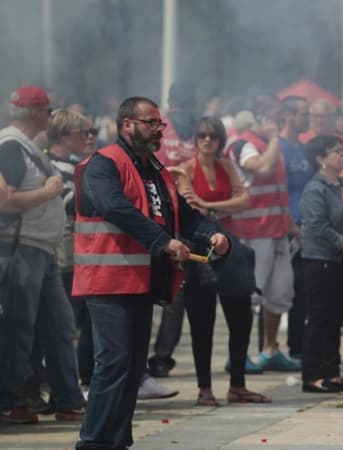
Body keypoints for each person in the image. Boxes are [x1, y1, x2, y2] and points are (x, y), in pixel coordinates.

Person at [73, 97, 230, 449]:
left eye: (160, 123)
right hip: (108, 281)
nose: (160, 129)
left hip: (141, 280)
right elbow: (115, 207)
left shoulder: (155, 169)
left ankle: (117, 441)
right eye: (151, 123)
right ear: (127, 125)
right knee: (113, 364)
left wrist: (212, 235)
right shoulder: (103, 164)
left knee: (131, 369)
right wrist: (163, 242)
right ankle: (93, 443)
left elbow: (183, 215)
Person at [0, 86, 85, 425]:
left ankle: (68, 399)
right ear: (36, 115)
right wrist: (47, 192)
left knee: (61, 326)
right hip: (22, 251)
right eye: (48, 112)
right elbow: (5, 201)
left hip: (41, 251)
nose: (51, 118)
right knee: (19, 329)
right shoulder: (9, 146)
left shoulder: (24, 147)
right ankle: (11, 400)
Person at [173, 116, 270, 405]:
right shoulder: (186, 169)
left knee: (240, 316)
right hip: (198, 249)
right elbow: (189, 206)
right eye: (202, 135)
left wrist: (210, 206)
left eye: (213, 136)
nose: (207, 141)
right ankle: (205, 388)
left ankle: (237, 385)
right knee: (202, 319)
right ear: (195, 139)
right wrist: (210, 208)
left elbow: (244, 201)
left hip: (228, 247)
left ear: (220, 141)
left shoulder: (226, 166)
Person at [224, 108, 297, 371]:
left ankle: (270, 348)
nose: (274, 125)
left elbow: (277, 189)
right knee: (249, 296)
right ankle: (237, 355)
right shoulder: (243, 144)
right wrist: (276, 138)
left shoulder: (265, 144)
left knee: (280, 293)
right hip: (252, 233)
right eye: (270, 120)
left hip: (275, 230)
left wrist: (288, 223)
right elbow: (261, 167)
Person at [299, 135, 343, 393]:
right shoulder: (314, 189)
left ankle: (332, 371)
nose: (341, 155)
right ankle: (312, 374)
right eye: (335, 151)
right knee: (319, 318)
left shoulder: (342, 184)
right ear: (320, 159)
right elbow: (318, 227)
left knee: (336, 318)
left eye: (342, 150)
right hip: (321, 261)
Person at [147, 81, 200, 379]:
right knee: (180, 292)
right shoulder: (202, 131)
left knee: (166, 293)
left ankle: (156, 357)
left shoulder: (159, 129)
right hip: (192, 215)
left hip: (161, 217)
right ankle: (162, 357)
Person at [45, 109, 98, 393]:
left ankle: (78, 380)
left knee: (81, 319)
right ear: (64, 136)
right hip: (62, 252)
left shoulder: (76, 163)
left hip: (79, 252)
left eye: (93, 133)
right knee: (65, 322)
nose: (89, 138)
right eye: (83, 133)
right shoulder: (49, 164)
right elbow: (64, 203)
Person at [278, 96, 313, 363]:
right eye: (302, 114)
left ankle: (298, 346)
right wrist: (288, 221)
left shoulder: (302, 148)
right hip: (284, 228)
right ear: (288, 116)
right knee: (277, 290)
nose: (307, 119)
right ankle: (270, 347)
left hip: (305, 227)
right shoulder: (279, 148)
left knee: (302, 289)